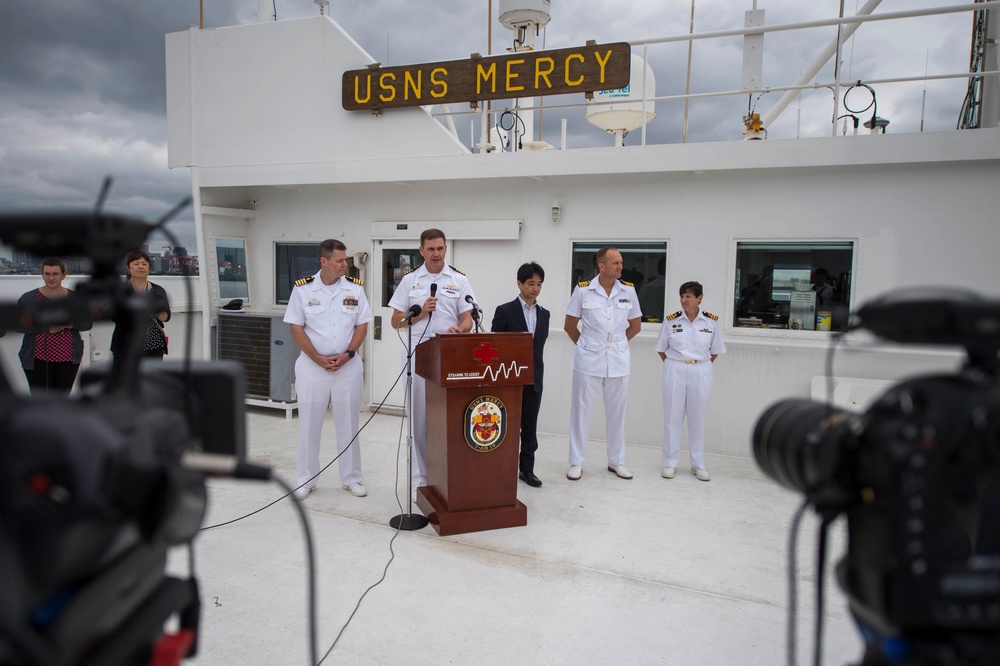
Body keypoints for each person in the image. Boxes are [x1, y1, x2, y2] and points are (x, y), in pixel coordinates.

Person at [283, 239, 372, 500]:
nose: (345, 265)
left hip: (348, 367)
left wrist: (349, 354)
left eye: (345, 260)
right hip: (313, 367)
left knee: (348, 423)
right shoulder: (303, 290)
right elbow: (295, 327)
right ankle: (306, 479)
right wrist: (317, 358)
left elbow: (362, 325)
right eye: (340, 261)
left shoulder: (355, 289)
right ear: (324, 261)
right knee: (309, 424)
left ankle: (352, 478)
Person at [389, 228, 476, 490]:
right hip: (419, 355)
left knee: (449, 416)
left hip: (449, 355)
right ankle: (420, 476)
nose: (436, 254)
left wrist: (461, 329)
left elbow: (468, 318)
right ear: (421, 251)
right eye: (431, 249)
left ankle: (447, 472)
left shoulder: (459, 280)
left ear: (445, 249)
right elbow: (396, 321)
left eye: (440, 248)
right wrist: (420, 314)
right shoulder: (410, 281)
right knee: (419, 417)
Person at [564, 247, 642, 481]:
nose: (620, 266)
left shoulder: (628, 291)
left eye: (620, 262)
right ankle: (576, 462)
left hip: (618, 358)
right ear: (601, 266)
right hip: (588, 358)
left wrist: (615, 344)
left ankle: (616, 461)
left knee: (617, 413)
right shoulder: (583, 291)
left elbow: (635, 325)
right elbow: (570, 325)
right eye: (615, 262)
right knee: (581, 412)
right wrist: (587, 345)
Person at [656, 281, 726, 482]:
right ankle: (670, 463)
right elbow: (661, 348)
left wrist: (697, 364)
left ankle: (698, 464)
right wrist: (678, 364)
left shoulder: (710, 322)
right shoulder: (671, 321)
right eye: (682, 296)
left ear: (699, 299)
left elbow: (715, 351)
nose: (684, 300)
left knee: (698, 419)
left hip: (701, 369)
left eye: (688, 296)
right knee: (672, 417)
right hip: (675, 367)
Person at [491, 262, 549, 488]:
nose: (535, 288)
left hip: (534, 379)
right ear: (519, 284)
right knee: (507, 426)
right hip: (509, 378)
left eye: (539, 284)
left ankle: (527, 470)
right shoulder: (505, 311)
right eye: (531, 283)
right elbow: (495, 346)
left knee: (530, 427)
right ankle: (502, 468)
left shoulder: (544, 314)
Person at [17, 258, 91, 392]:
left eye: (55, 274)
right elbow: (18, 324)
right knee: (40, 400)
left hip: (68, 357)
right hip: (37, 358)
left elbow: (87, 323)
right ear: (42, 274)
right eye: (47, 274)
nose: (51, 278)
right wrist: (46, 327)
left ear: (63, 275)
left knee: (62, 399)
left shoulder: (75, 298)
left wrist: (71, 324)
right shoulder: (29, 298)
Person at [110, 250, 170, 359]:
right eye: (136, 264)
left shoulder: (157, 290)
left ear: (149, 268)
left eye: (144, 264)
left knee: (152, 375)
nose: (141, 267)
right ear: (128, 268)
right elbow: (114, 316)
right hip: (126, 344)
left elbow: (166, 316)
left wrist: (156, 311)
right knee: (126, 376)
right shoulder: (120, 290)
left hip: (154, 345)